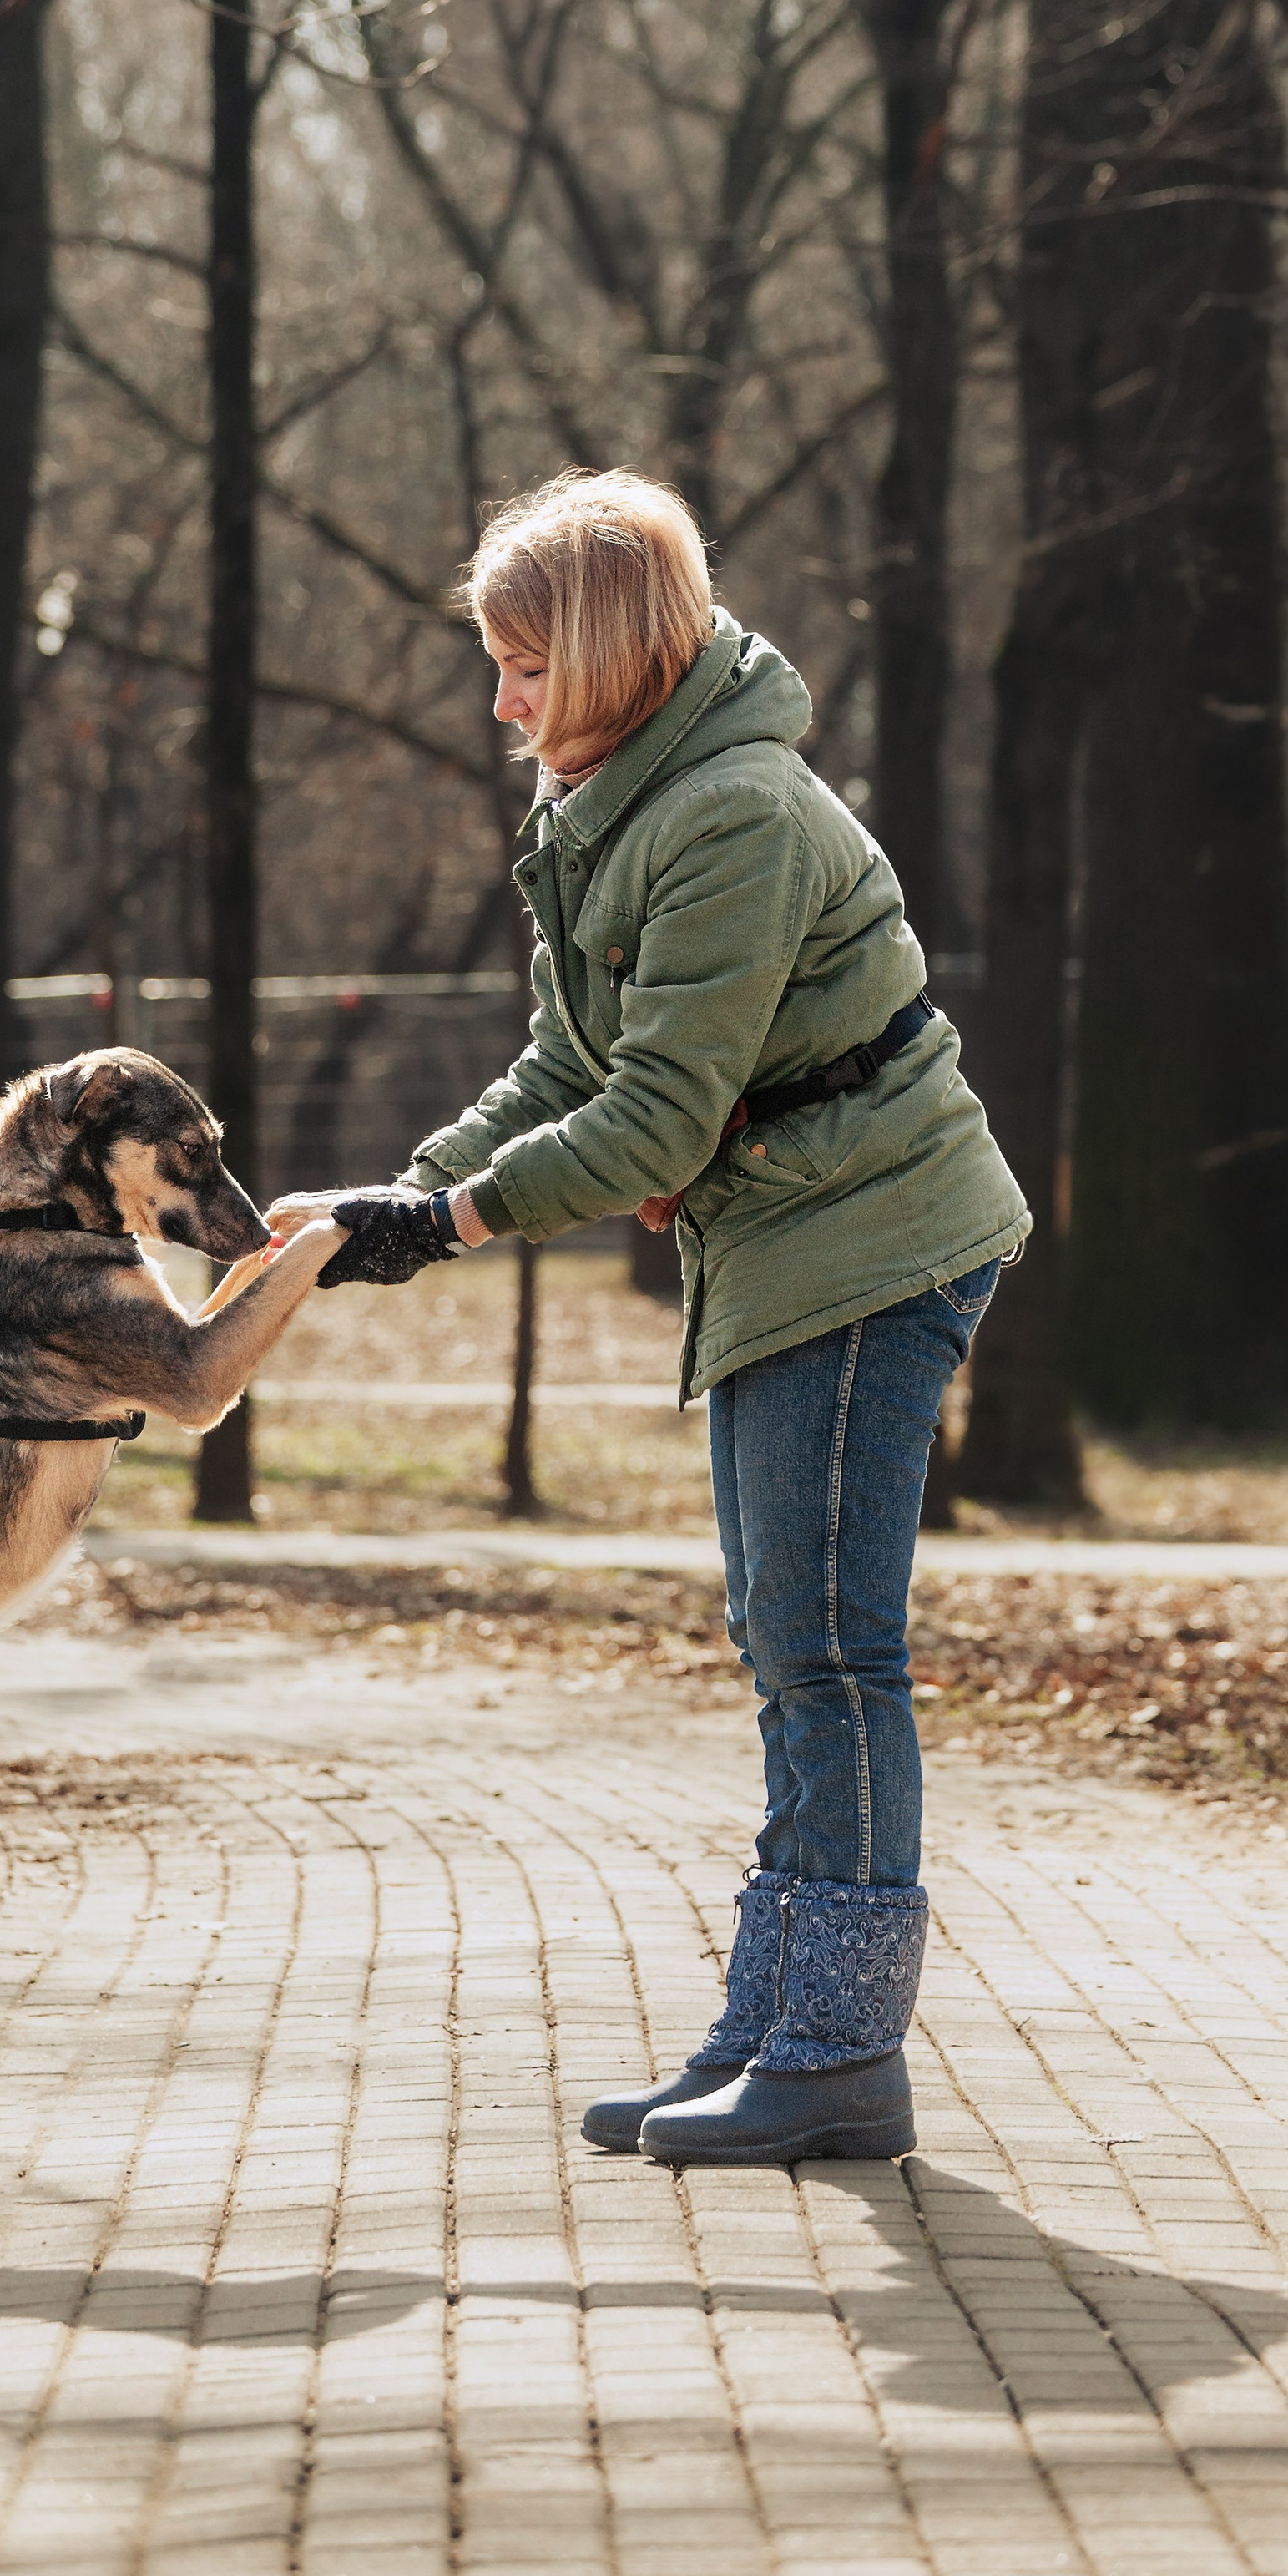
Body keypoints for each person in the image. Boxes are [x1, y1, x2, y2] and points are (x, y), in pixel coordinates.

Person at [280, 469, 1029, 2169]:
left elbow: (653, 1123)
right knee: (788, 1645)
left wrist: (445, 1223)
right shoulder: (609, 804)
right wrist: (384, 1201)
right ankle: (775, 2025)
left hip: (868, 1241)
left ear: (611, 652)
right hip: (787, 1240)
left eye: (524, 664)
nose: (500, 701)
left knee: (828, 1653)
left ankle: (836, 2052)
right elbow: (566, 1069)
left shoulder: (729, 815)